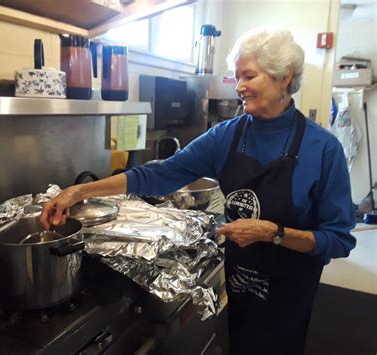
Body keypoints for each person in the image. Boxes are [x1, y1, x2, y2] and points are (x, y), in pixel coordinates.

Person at [40, 27, 356, 355]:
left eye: (249, 76)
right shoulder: (227, 136)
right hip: (243, 279)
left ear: (284, 77)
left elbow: (338, 239)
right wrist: (78, 192)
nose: (239, 87)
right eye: (237, 77)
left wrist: (273, 233)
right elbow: (159, 174)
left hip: (288, 288)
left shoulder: (323, 149)